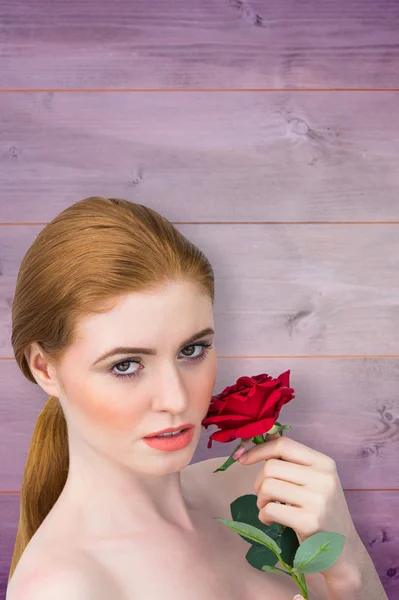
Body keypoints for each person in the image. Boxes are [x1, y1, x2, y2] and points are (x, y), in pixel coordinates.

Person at [5, 196, 320, 599]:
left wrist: (348, 566)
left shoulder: (256, 491)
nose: (175, 399)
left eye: (191, 351)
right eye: (125, 365)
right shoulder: (65, 588)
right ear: (44, 369)